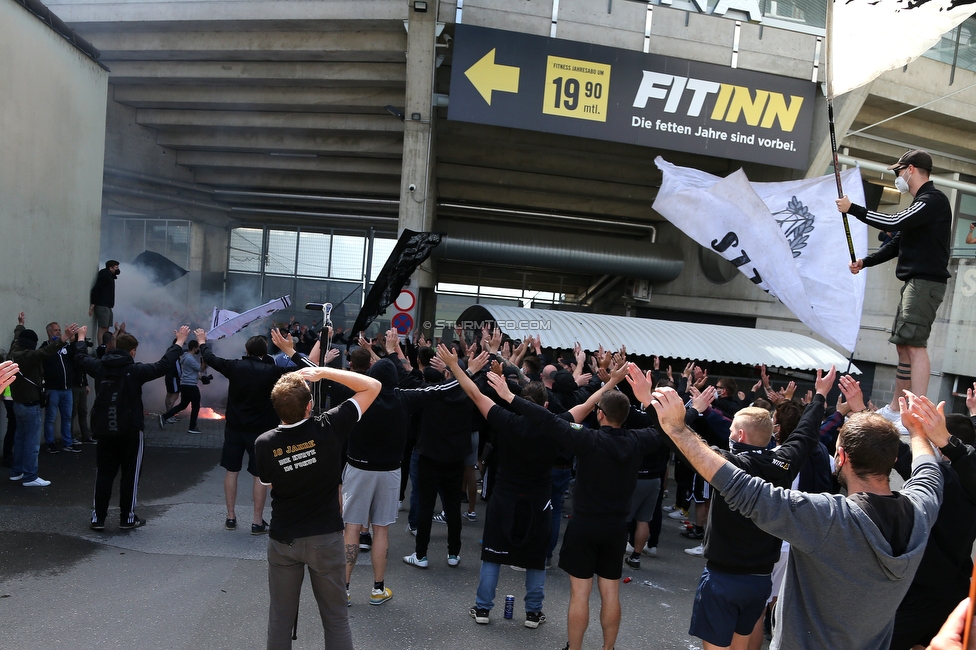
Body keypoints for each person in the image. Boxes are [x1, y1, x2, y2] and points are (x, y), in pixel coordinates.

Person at [643, 379, 943, 650]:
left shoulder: (828, 516)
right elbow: (929, 470)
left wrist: (678, 429)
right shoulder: (921, 509)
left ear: (841, 457)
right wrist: (918, 433)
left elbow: (739, 486)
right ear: (892, 459)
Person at [488, 366, 664, 650]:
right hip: (616, 528)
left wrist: (510, 397)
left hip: (584, 525)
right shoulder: (638, 440)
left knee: (580, 594)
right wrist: (649, 400)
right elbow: (666, 428)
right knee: (611, 593)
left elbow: (545, 419)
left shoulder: (587, 439)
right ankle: (608, 648)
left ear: (600, 414)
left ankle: (576, 647)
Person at [254, 364, 381, 650]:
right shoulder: (329, 427)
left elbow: (269, 482)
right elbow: (372, 386)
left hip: (284, 538)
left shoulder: (264, 443)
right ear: (309, 406)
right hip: (325, 537)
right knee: (335, 618)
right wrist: (324, 372)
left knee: (280, 620)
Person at [836, 150, 951, 408]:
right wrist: (865, 262)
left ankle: (917, 408)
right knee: (903, 346)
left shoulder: (933, 200)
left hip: (925, 282)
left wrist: (853, 208)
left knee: (914, 345)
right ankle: (898, 407)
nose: (897, 177)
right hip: (914, 283)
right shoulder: (920, 204)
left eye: (899, 171)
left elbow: (894, 221)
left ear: (911, 169)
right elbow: (896, 243)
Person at [74, 325, 189, 530]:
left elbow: (81, 358)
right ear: (133, 351)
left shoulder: (101, 367)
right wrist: (179, 342)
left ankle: (98, 518)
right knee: (130, 474)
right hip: (131, 430)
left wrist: (81, 337)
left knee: (104, 473)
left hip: (104, 430)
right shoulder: (135, 370)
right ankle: (127, 518)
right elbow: (164, 365)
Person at [199, 328, 308, 533]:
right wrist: (291, 350)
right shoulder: (271, 371)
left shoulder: (235, 367)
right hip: (261, 431)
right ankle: (257, 522)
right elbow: (302, 368)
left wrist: (202, 341)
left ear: (247, 350)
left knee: (232, 471)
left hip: (234, 428)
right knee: (259, 476)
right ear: (264, 351)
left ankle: (231, 517)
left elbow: (210, 358)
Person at [890, 411, 976, 650]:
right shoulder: (968, 482)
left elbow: (901, 453)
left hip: (921, 595)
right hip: (955, 592)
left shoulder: (938, 478)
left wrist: (860, 411)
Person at [9, 313, 77, 487]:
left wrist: (20, 325)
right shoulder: (29, 357)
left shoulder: (14, 352)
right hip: (31, 405)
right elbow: (46, 351)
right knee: (32, 442)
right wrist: (64, 338)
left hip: (17, 404)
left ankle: (17, 472)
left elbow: (18, 337)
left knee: (20, 439)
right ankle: (30, 477)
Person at [40, 321, 79, 453]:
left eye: (59, 330)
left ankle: (67, 442)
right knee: (51, 418)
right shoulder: (45, 347)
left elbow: (74, 359)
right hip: (53, 389)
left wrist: (73, 341)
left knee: (67, 417)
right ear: (49, 332)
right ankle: (50, 443)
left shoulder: (65, 347)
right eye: (55, 330)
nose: (58, 332)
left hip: (67, 388)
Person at [158, 339, 204, 434]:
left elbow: (194, 371)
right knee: (195, 406)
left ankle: (165, 417)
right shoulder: (190, 359)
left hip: (185, 384)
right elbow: (200, 369)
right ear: (195, 348)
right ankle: (192, 427)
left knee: (183, 405)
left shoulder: (186, 357)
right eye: (198, 348)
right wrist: (205, 361)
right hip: (190, 385)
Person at [89, 260, 120, 347]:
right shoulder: (105, 276)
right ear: (110, 268)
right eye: (116, 267)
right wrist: (93, 304)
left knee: (106, 327)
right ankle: (101, 347)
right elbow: (96, 289)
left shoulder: (110, 276)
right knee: (102, 328)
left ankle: (104, 346)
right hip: (102, 305)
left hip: (108, 306)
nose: (118, 270)